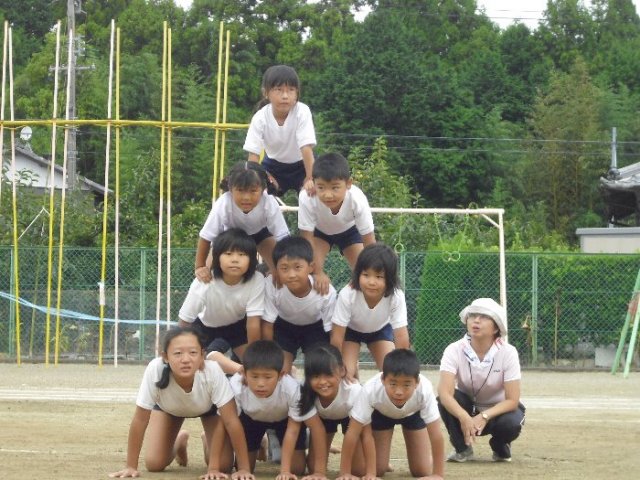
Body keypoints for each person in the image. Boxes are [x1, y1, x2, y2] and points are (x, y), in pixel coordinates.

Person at [109, 326, 253, 480]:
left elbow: (230, 420)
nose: (185, 359)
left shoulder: (212, 371)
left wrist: (244, 468)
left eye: (193, 353)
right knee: (154, 464)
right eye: (177, 353)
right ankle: (178, 441)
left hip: (208, 409)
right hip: (168, 409)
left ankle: (207, 440)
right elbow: (140, 419)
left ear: (202, 355)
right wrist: (131, 466)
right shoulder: (155, 369)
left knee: (224, 465)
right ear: (165, 357)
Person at [217, 340, 328, 480]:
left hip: (284, 420)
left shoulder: (292, 388)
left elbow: (307, 428)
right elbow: (226, 422)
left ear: (281, 375)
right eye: (254, 376)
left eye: (268, 377)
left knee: (297, 468)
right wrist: (243, 468)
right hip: (251, 419)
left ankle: (290, 442)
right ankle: (261, 443)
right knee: (240, 468)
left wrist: (288, 471)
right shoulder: (237, 385)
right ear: (244, 373)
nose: (261, 384)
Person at [437, 298, 525, 463]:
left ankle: (500, 446)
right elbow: (444, 393)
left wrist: (484, 416)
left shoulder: (508, 352)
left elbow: (512, 400)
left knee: (511, 423)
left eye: (484, 317)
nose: (476, 320)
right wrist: (463, 416)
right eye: (472, 315)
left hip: (498, 412)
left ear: (496, 328)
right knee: (445, 400)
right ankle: (462, 448)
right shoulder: (453, 349)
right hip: (468, 408)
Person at [337, 349, 445, 480]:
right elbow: (352, 432)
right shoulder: (370, 389)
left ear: (416, 382)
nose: (399, 392)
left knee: (422, 470)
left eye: (406, 385)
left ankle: (425, 457)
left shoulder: (425, 389)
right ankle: (383, 461)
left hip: (414, 414)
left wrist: (438, 474)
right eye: (393, 384)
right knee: (374, 470)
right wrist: (345, 472)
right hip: (381, 415)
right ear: (383, 379)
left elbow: (436, 434)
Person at [195, 161, 289, 282]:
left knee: (283, 272)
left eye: (253, 191)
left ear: (263, 189)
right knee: (206, 276)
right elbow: (206, 237)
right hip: (230, 238)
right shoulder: (224, 203)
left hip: (261, 235)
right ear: (230, 189)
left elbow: (283, 238)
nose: (246, 197)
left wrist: (285, 265)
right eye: (240, 190)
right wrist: (200, 266)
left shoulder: (269, 202)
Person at [180, 228, 265, 360]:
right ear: (217, 257)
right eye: (228, 253)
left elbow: (253, 322)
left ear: (252, 259)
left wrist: (254, 358)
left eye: (242, 255)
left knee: (254, 364)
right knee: (192, 362)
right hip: (205, 326)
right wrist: (178, 349)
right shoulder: (204, 281)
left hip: (237, 326)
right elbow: (185, 321)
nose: (235, 260)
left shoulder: (257, 280)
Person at [298, 152, 375, 295]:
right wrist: (318, 272)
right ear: (313, 183)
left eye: (335, 187)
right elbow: (306, 239)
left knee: (366, 277)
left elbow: (369, 241)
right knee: (309, 274)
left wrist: (365, 275)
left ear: (348, 184)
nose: (328, 195)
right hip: (320, 233)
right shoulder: (306, 198)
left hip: (349, 232)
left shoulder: (357, 199)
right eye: (321, 187)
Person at [330, 243, 410, 381]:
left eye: (379, 277)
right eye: (366, 275)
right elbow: (337, 337)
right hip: (351, 331)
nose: (371, 282)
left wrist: (404, 366)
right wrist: (337, 364)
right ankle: (353, 365)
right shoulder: (347, 294)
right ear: (358, 273)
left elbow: (401, 336)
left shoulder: (396, 296)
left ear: (390, 278)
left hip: (380, 330)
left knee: (392, 373)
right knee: (346, 375)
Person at [262, 235, 337, 374]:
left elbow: (333, 331)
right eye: (284, 268)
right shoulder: (272, 284)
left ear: (311, 267)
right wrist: (270, 357)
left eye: (297, 267)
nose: (291, 274)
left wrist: (335, 361)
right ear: (275, 269)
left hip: (315, 329)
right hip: (284, 328)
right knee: (280, 371)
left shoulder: (325, 291)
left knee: (318, 371)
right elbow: (267, 324)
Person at [298, 344, 373, 478]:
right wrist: (319, 473)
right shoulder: (306, 392)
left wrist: (345, 473)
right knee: (312, 467)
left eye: (328, 375)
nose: (322, 382)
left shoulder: (355, 392)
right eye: (315, 376)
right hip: (323, 419)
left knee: (359, 471)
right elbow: (318, 430)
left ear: (342, 371)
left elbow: (364, 434)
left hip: (350, 418)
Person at [244, 64, 316, 197]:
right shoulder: (260, 118)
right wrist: (260, 179)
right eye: (279, 90)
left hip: (302, 165)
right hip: (273, 166)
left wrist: (310, 178)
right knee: (258, 193)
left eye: (291, 90)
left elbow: (306, 147)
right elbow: (253, 156)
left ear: (297, 93)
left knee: (314, 194)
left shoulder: (302, 111)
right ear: (266, 92)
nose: (285, 96)